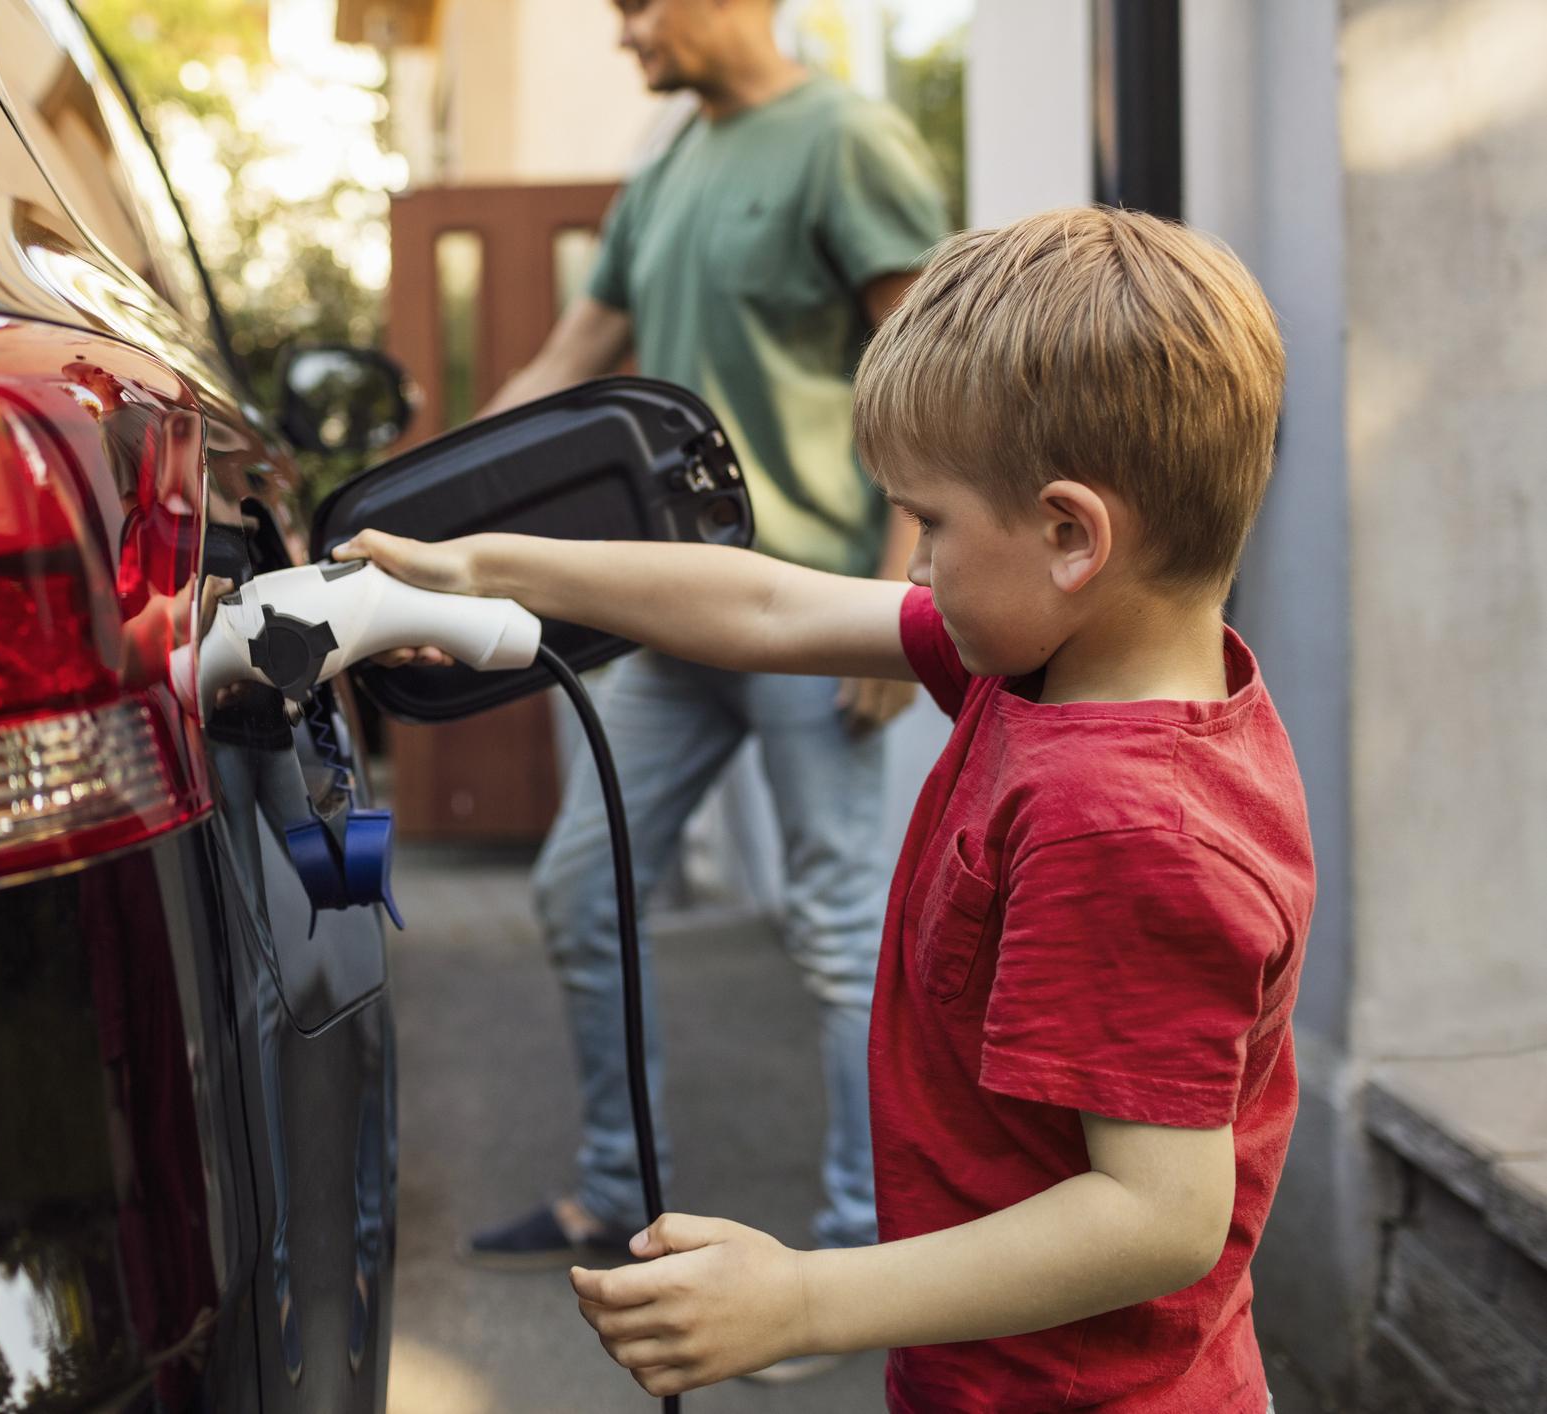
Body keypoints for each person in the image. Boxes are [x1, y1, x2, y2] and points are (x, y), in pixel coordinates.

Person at [341, 205, 1311, 1411]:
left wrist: (805, 1299)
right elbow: (767, 608)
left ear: (1070, 533)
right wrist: (489, 566)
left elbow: (1160, 1218)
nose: (913, 565)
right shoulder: (1065, 661)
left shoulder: (1126, 826)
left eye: (934, 523)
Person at [458, 0, 950, 1302]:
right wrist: (430, 498)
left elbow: (926, 362)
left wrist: (904, 598)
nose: (623, 32)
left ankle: (853, 1257)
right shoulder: (667, 161)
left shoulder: (845, 139)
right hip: (677, 616)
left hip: (813, 610)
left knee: (841, 934)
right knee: (580, 888)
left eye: (636, 3)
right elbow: (575, 351)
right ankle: (621, 1190)